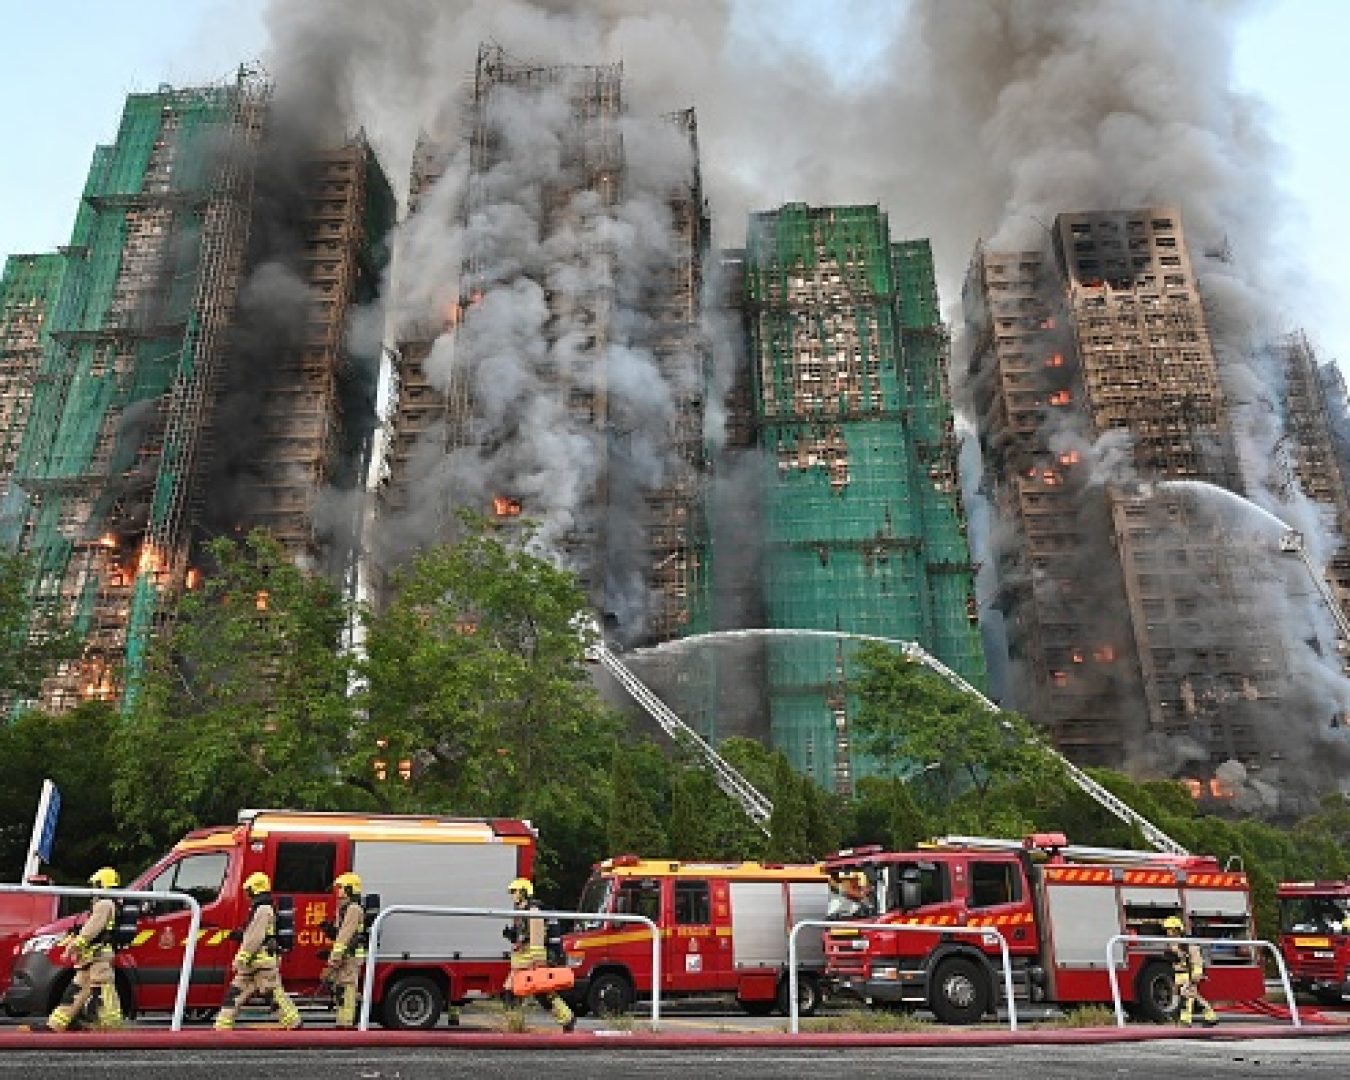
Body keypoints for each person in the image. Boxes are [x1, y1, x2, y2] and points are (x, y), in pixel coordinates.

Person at [215, 871, 302, 1031]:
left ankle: (294, 1024)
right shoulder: (260, 908)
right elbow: (254, 934)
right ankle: (222, 1027)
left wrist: (241, 957)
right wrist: (241, 936)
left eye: (248, 890)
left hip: (260, 962)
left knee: (274, 995)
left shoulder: (263, 909)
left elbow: (255, 936)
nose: (246, 894)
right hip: (254, 963)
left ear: (255, 889)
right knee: (234, 995)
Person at [46, 867, 124, 1032]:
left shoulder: (104, 904)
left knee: (102, 990)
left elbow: (92, 930)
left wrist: (74, 946)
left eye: (95, 885)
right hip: (91, 957)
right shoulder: (108, 904)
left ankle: (110, 1027)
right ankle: (56, 1024)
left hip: (98, 958)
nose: (92, 890)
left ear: (101, 884)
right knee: (75, 991)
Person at [504, 877, 575, 1032]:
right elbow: (524, 937)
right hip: (522, 958)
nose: (512, 895)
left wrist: (536, 962)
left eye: (514, 891)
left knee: (541, 993)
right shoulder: (522, 911)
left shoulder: (533, 911)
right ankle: (514, 1023)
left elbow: (536, 938)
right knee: (511, 991)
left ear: (523, 892)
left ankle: (567, 1018)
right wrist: (513, 936)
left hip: (530, 958)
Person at [321, 872, 367, 1030]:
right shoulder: (344, 908)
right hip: (346, 955)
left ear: (350, 889)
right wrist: (330, 930)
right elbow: (341, 933)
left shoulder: (353, 908)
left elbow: (345, 935)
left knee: (346, 989)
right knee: (341, 987)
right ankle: (345, 1019)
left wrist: (334, 957)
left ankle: (346, 1024)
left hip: (351, 956)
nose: (338, 891)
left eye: (341, 887)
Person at [1163, 915, 1217, 1027]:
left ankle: (1185, 1020)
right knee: (1194, 997)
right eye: (1167, 929)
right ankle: (1211, 1016)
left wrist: (1197, 974)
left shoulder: (1188, 944)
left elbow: (1196, 959)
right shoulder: (1171, 944)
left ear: (1177, 929)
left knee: (1186, 998)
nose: (1168, 932)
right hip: (1179, 975)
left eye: (1170, 929)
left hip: (1188, 974)